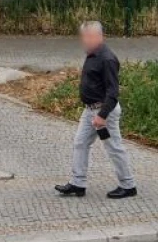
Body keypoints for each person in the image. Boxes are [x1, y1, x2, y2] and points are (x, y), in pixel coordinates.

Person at [55, 20, 137, 199]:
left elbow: (113, 91)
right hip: (89, 111)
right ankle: (78, 184)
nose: (85, 40)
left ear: (99, 36)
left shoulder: (107, 58)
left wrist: (102, 115)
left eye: (89, 36)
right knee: (80, 143)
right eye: (84, 36)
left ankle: (128, 185)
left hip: (103, 113)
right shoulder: (92, 55)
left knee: (114, 147)